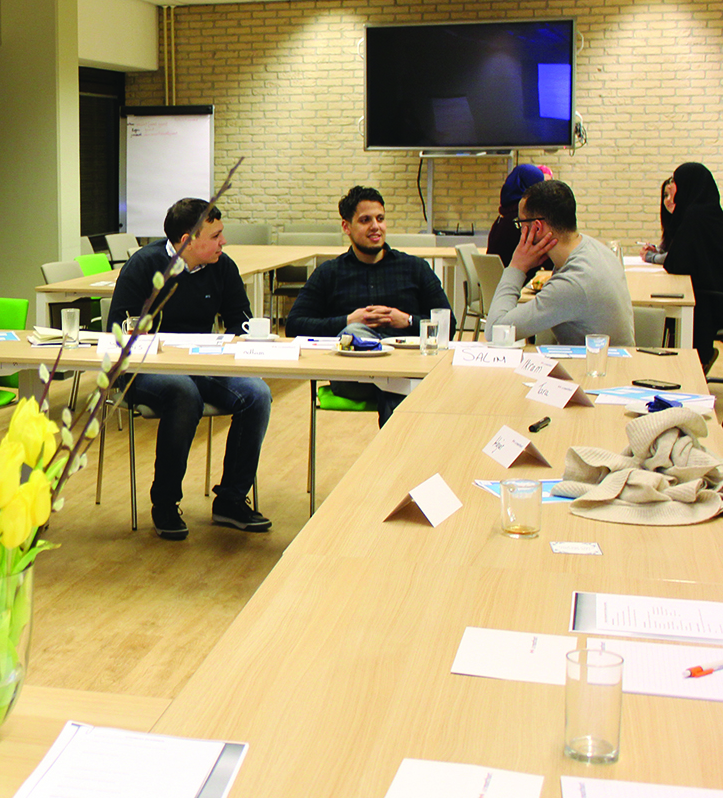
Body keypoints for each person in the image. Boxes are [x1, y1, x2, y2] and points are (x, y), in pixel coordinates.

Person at [108, 198, 272, 539]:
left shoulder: (222, 267)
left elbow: (239, 321)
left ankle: (231, 500)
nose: (223, 242)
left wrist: (234, 342)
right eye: (215, 236)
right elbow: (119, 331)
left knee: (257, 393)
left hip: (202, 362)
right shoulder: (143, 266)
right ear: (187, 241)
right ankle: (165, 503)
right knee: (184, 393)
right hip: (144, 369)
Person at [286, 185, 451, 425]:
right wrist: (347, 321)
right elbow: (294, 325)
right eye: (365, 220)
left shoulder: (414, 268)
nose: (376, 226)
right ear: (347, 227)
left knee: (396, 385)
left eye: (380, 219)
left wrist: (407, 320)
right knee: (356, 333)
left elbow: (447, 324)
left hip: (406, 368)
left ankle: (394, 444)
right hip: (353, 376)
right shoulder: (329, 273)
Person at [483, 179, 635, 346]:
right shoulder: (597, 249)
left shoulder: (573, 281)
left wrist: (516, 267)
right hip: (608, 360)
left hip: (598, 362)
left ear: (537, 228)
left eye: (521, 223)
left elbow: (495, 332)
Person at [664, 162, 723, 368]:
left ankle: (694, 365)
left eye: (676, 182)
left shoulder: (695, 217)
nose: (673, 187)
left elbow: (675, 263)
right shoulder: (713, 213)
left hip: (709, 304)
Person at [487, 163, 551, 266]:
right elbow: (549, 263)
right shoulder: (523, 222)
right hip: (516, 275)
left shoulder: (502, 219)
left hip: (500, 275)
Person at [641, 175, 677, 265]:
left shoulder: (691, 223)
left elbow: (678, 256)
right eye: (666, 195)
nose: (669, 199)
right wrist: (657, 251)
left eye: (674, 195)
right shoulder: (672, 223)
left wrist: (651, 257)